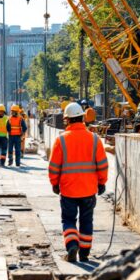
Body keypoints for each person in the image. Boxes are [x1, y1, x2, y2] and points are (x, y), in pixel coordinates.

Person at [48, 102, 109, 262]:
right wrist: (102, 182)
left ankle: (72, 244)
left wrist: (54, 183)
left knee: (68, 220)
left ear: (67, 120)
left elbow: (54, 166)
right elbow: (102, 164)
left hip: (68, 189)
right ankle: (84, 253)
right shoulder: (95, 139)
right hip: (89, 190)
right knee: (86, 220)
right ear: (82, 117)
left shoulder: (61, 140)